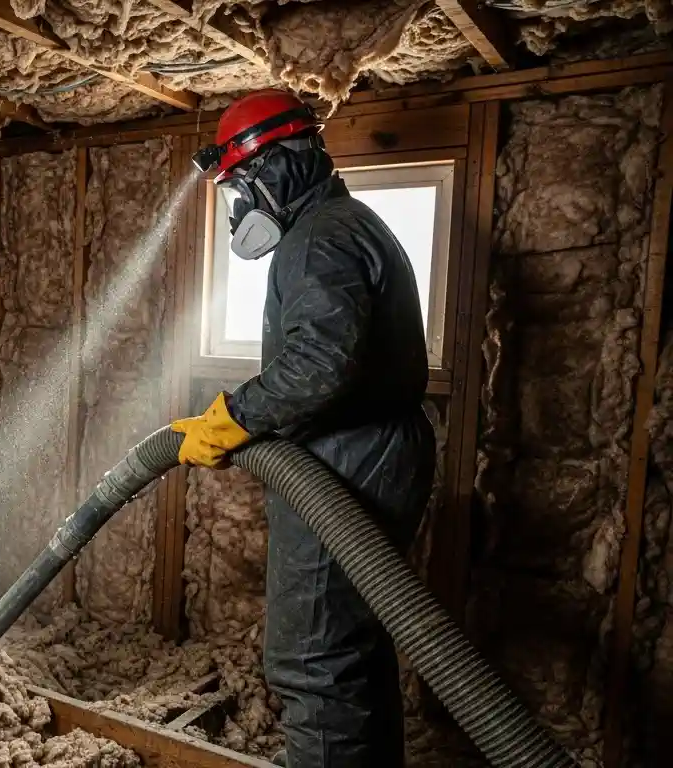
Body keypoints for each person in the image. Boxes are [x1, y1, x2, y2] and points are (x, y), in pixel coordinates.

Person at [171, 89, 436, 768]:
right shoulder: (345, 225)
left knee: (313, 660)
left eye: (241, 185)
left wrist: (236, 416)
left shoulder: (318, 239)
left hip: (347, 460)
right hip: (375, 450)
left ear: (278, 166)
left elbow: (319, 365)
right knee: (358, 652)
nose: (240, 206)